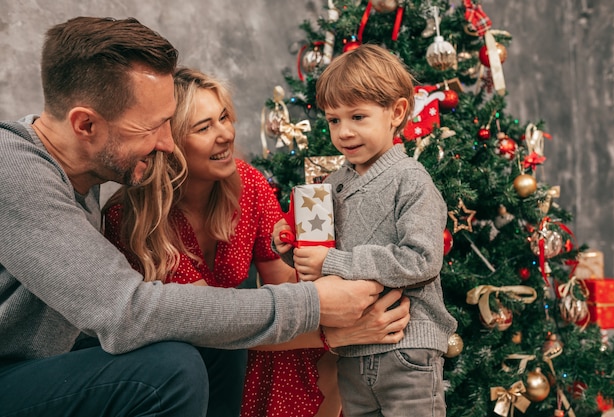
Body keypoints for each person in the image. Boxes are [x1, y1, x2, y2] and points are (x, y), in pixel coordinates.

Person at [0, 17, 405, 417]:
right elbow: (127, 311)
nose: (166, 143)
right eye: (154, 127)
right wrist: (314, 307)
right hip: (11, 373)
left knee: (204, 329)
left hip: (47, 361)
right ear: (85, 124)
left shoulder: (76, 170)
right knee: (169, 368)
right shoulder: (13, 172)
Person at [103, 67, 410, 416]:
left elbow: (287, 284)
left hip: (245, 335)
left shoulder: (246, 182)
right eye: (204, 127)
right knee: (319, 336)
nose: (225, 135)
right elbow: (209, 324)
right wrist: (337, 332)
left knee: (320, 342)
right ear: (169, 143)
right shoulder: (135, 220)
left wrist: (341, 295)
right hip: (184, 360)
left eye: (224, 118)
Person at [273, 44, 458, 417]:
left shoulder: (410, 180)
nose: (344, 132)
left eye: (358, 117)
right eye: (333, 120)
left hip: (407, 348)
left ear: (396, 112)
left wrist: (334, 260)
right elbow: (321, 259)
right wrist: (292, 248)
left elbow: (421, 260)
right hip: (353, 349)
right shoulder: (335, 184)